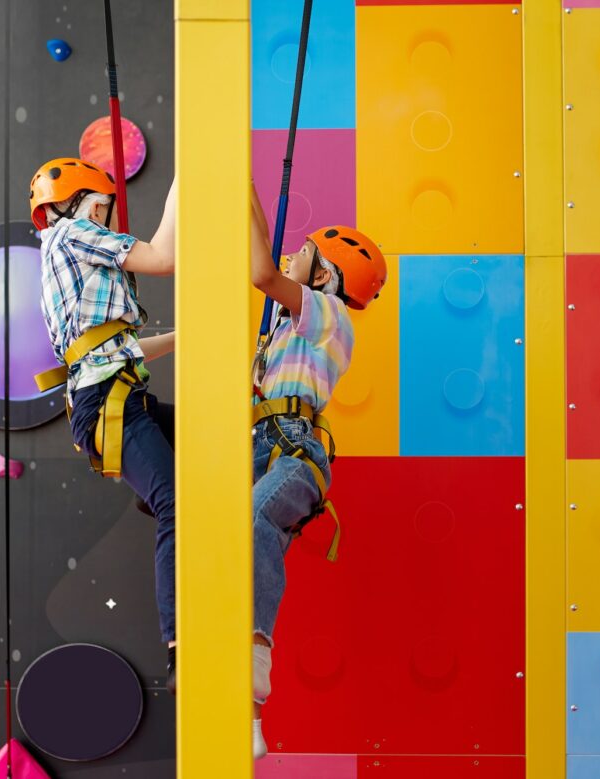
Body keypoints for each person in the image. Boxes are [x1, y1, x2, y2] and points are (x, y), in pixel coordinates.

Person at [247, 183, 388, 759]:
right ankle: (248, 713)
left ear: (326, 276)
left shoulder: (327, 316)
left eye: (304, 251)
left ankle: (255, 669)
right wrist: (245, 190)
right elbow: (267, 257)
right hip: (260, 440)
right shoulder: (287, 329)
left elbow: (261, 271)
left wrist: (247, 200)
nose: (291, 254)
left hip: (293, 448)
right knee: (227, 538)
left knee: (255, 520)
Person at [30, 158, 180, 686]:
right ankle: (179, 642)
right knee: (175, 507)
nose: (108, 219)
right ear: (86, 202)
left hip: (113, 393)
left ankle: (154, 485)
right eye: (105, 206)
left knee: (210, 433)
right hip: (109, 402)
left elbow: (118, 347)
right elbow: (164, 257)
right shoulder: (75, 233)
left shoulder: (61, 253)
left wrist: (186, 336)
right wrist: (184, 180)